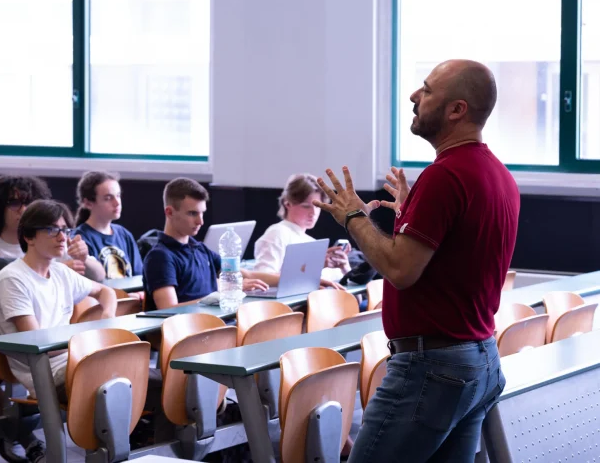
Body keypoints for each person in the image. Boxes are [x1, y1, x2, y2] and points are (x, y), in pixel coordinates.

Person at [314, 60, 520, 462]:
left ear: (456, 109)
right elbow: (453, 254)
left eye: (425, 90)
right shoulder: (496, 173)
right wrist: (413, 213)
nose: (413, 96)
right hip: (477, 358)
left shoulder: (446, 176)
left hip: (433, 368)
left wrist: (353, 216)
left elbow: (400, 270)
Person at [0, 200, 117, 462]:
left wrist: (106, 318)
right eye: (52, 230)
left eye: (65, 230)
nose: (63, 237)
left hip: (78, 361)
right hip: (46, 373)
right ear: (29, 236)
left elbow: (106, 291)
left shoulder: (60, 272)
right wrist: (87, 341)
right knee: (127, 383)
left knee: (158, 380)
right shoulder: (12, 279)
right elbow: (39, 344)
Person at [143, 178, 271, 311]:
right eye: (192, 213)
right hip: (191, 329)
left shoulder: (200, 249)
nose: (200, 221)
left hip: (216, 324)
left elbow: (242, 274)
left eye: (202, 213)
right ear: (169, 212)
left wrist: (282, 279)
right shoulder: (160, 257)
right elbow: (168, 308)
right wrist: (217, 297)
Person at [0, 175, 105, 281]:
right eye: (14, 203)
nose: (24, 210)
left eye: (30, 204)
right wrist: (59, 271)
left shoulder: (50, 238)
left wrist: (84, 258)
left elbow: (99, 276)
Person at [254, 173, 351, 281]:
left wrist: (345, 268)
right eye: (306, 206)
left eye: (317, 206)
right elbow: (262, 280)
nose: (313, 213)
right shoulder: (277, 234)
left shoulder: (311, 242)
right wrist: (314, 266)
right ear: (288, 204)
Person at [74, 171, 144, 279]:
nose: (117, 203)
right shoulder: (81, 238)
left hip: (131, 295)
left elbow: (139, 276)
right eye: (108, 198)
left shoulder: (124, 234)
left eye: (118, 195)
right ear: (88, 203)